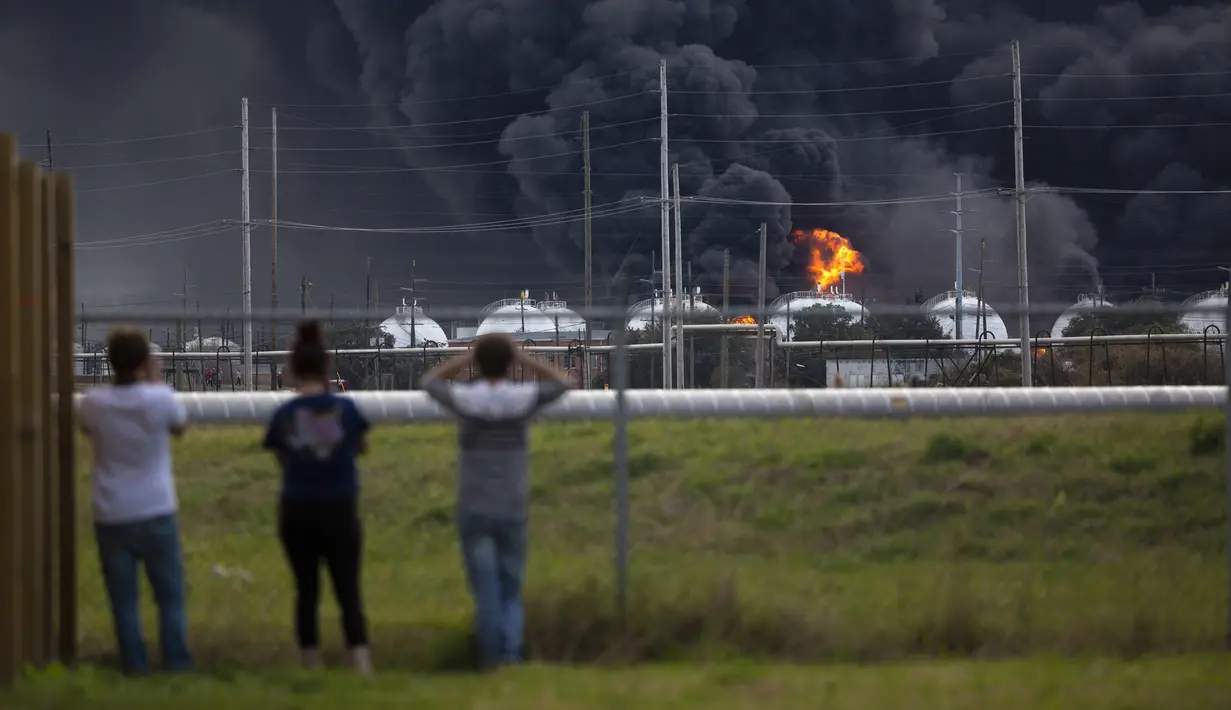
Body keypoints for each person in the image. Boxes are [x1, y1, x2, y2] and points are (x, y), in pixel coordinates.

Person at [420, 334, 571, 670]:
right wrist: (523, 358)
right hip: (512, 507)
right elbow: (564, 384)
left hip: (474, 506)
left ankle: (490, 659)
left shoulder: (465, 399)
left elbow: (429, 383)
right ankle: (511, 656)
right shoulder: (522, 399)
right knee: (510, 590)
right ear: (509, 364)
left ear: (479, 363)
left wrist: (466, 359)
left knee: (485, 591)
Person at [77, 327, 192, 675]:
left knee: (124, 600)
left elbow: (85, 429)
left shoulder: (94, 403)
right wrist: (154, 380)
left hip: (112, 513)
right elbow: (179, 428)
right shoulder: (161, 398)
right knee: (170, 594)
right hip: (156, 509)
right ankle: (176, 663)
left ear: (110, 361)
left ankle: (134, 664)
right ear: (146, 361)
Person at [262, 320, 373, 675]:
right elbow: (362, 447)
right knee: (348, 589)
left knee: (306, 590)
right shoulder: (347, 410)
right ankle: (360, 660)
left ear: (293, 369)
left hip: (296, 509)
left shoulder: (284, 415)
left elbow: (282, 457)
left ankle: (310, 662)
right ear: (327, 367)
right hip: (340, 508)